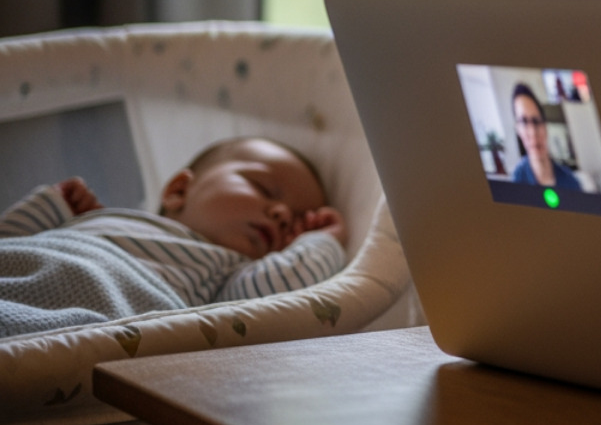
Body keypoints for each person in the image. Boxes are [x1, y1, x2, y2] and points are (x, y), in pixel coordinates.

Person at [1, 137, 347, 338]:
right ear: (179, 190)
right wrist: (52, 207)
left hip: (93, 319)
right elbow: (9, 242)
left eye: (294, 224)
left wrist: (325, 240)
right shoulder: (111, 219)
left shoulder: (230, 280)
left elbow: (282, 283)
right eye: (263, 188)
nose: (282, 213)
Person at [507, 83, 583, 190]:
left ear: (545, 127)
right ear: (518, 129)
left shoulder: (571, 182)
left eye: (536, 121)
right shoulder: (516, 183)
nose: (533, 132)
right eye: (524, 122)